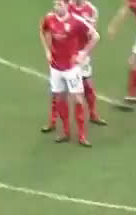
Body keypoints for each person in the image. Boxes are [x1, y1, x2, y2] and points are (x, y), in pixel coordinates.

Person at [40, 0, 99, 146]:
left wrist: (83, 53)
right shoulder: (49, 18)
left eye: (59, 4)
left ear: (67, 5)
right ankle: (66, 132)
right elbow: (43, 30)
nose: (56, 7)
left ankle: (82, 136)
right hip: (55, 67)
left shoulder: (76, 21)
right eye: (55, 4)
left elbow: (95, 36)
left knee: (78, 99)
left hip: (72, 68)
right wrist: (47, 51)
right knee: (60, 99)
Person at [65, 0, 108, 126]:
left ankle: (93, 114)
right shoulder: (67, 6)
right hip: (68, 53)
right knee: (62, 88)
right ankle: (57, 120)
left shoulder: (92, 10)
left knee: (88, 86)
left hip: (82, 54)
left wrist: (85, 52)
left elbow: (92, 33)